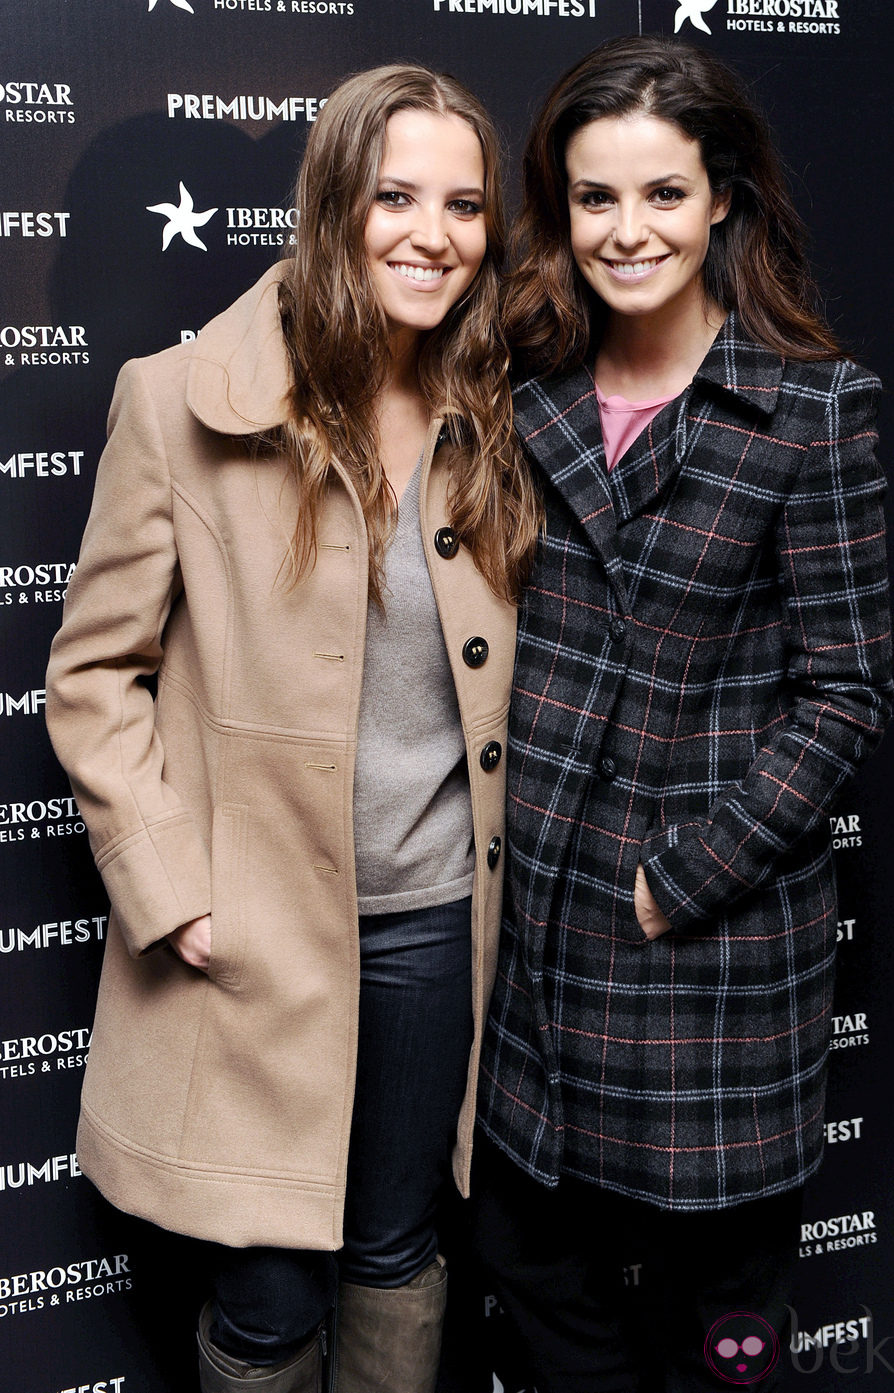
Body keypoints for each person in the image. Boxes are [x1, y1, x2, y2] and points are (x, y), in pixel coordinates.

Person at [45, 63, 540, 1393]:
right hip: (250, 937)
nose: (431, 233)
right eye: (395, 196)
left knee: (397, 1257)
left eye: (464, 204)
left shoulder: (497, 407)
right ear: (333, 203)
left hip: (435, 919)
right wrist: (171, 887)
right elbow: (94, 675)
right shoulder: (177, 400)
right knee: (265, 1306)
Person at [474, 35, 892, 1393]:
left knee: (721, 1333)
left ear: (723, 199)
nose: (627, 230)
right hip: (536, 954)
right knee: (542, 1289)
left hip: (706, 963)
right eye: (596, 198)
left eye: (664, 194)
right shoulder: (519, 389)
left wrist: (686, 874)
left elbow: (845, 692)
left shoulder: (808, 410)